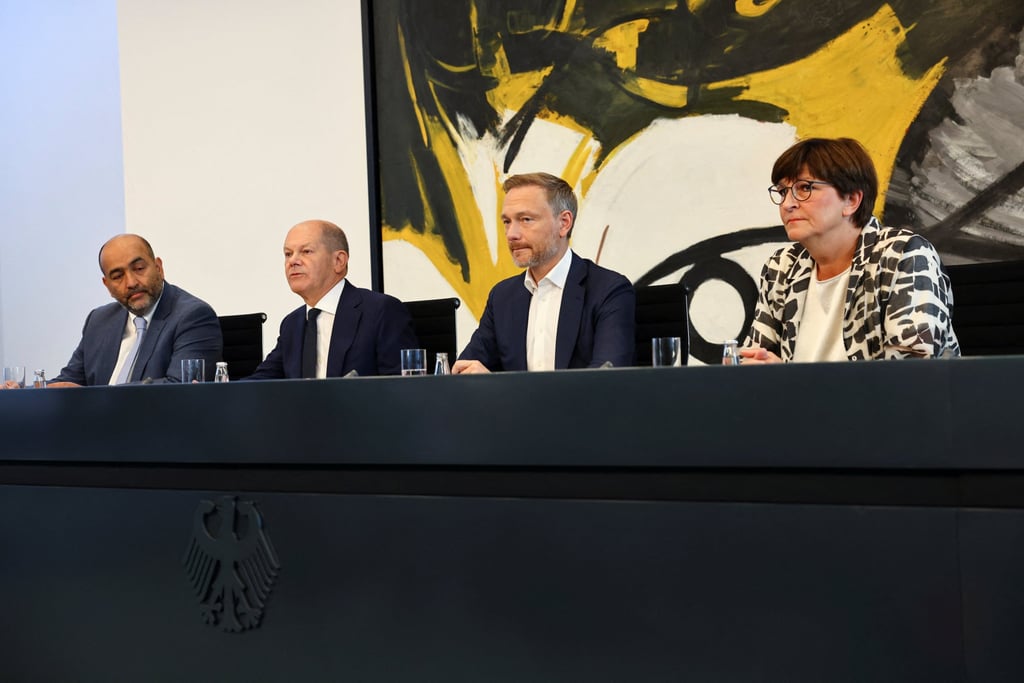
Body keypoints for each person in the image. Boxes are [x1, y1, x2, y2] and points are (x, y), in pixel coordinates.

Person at [741, 137, 959, 364]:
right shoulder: (782, 267)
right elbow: (760, 359)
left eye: (804, 188)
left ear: (851, 200)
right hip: (798, 400)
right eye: (782, 192)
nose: (787, 204)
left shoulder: (904, 254)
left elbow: (911, 370)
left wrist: (791, 381)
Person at [453, 172, 635, 373]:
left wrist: (499, 388)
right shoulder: (502, 297)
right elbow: (464, 370)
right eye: (507, 222)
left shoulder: (608, 290)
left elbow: (605, 380)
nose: (512, 234)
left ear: (564, 223)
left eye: (526, 219)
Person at [12, 234, 222, 388]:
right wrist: (25, 391)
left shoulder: (193, 316)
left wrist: (95, 398)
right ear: (106, 285)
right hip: (96, 435)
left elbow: (179, 389)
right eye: (117, 276)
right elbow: (71, 380)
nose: (131, 282)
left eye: (139, 269)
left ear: (158, 267)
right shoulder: (99, 320)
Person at [247, 219, 418, 379]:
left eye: (306, 251)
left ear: (339, 260)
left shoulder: (381, 311)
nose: (293, 261)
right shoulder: (292, 324)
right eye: (288, 254)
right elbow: (261, 384)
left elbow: (403, 390)